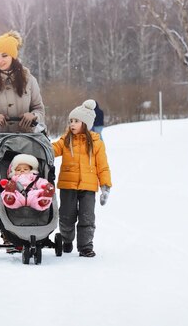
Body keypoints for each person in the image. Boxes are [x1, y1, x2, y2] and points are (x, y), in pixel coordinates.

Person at [0, 30, 46, 180]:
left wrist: (33, 116)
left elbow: (39, 109)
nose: (0, 60)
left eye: (4, 55)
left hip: (27, 143)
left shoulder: (29, 80)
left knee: (33, 188)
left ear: (13, 55)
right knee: (4, 192)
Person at [52, 99, 112, 258]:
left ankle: (85, 246)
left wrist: (105, 186)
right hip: (68, 185)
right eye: (70, 121)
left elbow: (103, 166)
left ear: (85, 123)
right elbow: (52, 150)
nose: (72, 124)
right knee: (66, 216)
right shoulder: (66, 139)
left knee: (87, 217)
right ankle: (66, 239)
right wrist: (42, 138)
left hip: (88, 187)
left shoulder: (96, 143)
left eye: (76, 121)